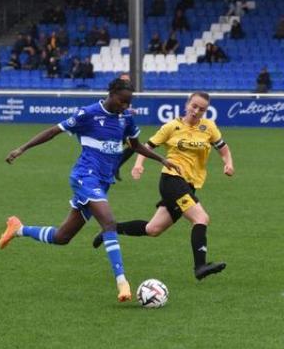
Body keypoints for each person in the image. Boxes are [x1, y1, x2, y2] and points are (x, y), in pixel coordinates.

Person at [0, 79, 180, 302]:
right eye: (123, 101)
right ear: (111, 93)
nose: (125, 106)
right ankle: (122, 282)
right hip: (85, 177)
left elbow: (135, 145)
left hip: (103, 182)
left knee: (62, 236)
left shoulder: (125, 119)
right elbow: (53, 131)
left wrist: (162, 159)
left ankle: (18, 229)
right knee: (109, 223)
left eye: (128, 102)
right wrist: (21, 148)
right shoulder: (88, 114)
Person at [92, 92, 235, 281]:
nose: (196, 111)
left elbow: (223, 148)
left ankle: (110, 229)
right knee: (201, 218)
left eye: (202, 109)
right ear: (187, 104)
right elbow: (146, 146)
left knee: (153, 229)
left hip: (189, 185)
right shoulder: (171, 127)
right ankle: (200, 266)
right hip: (172, 180)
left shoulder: (208, 127)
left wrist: (228, 163)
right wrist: (138, 164)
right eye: (194, 106)